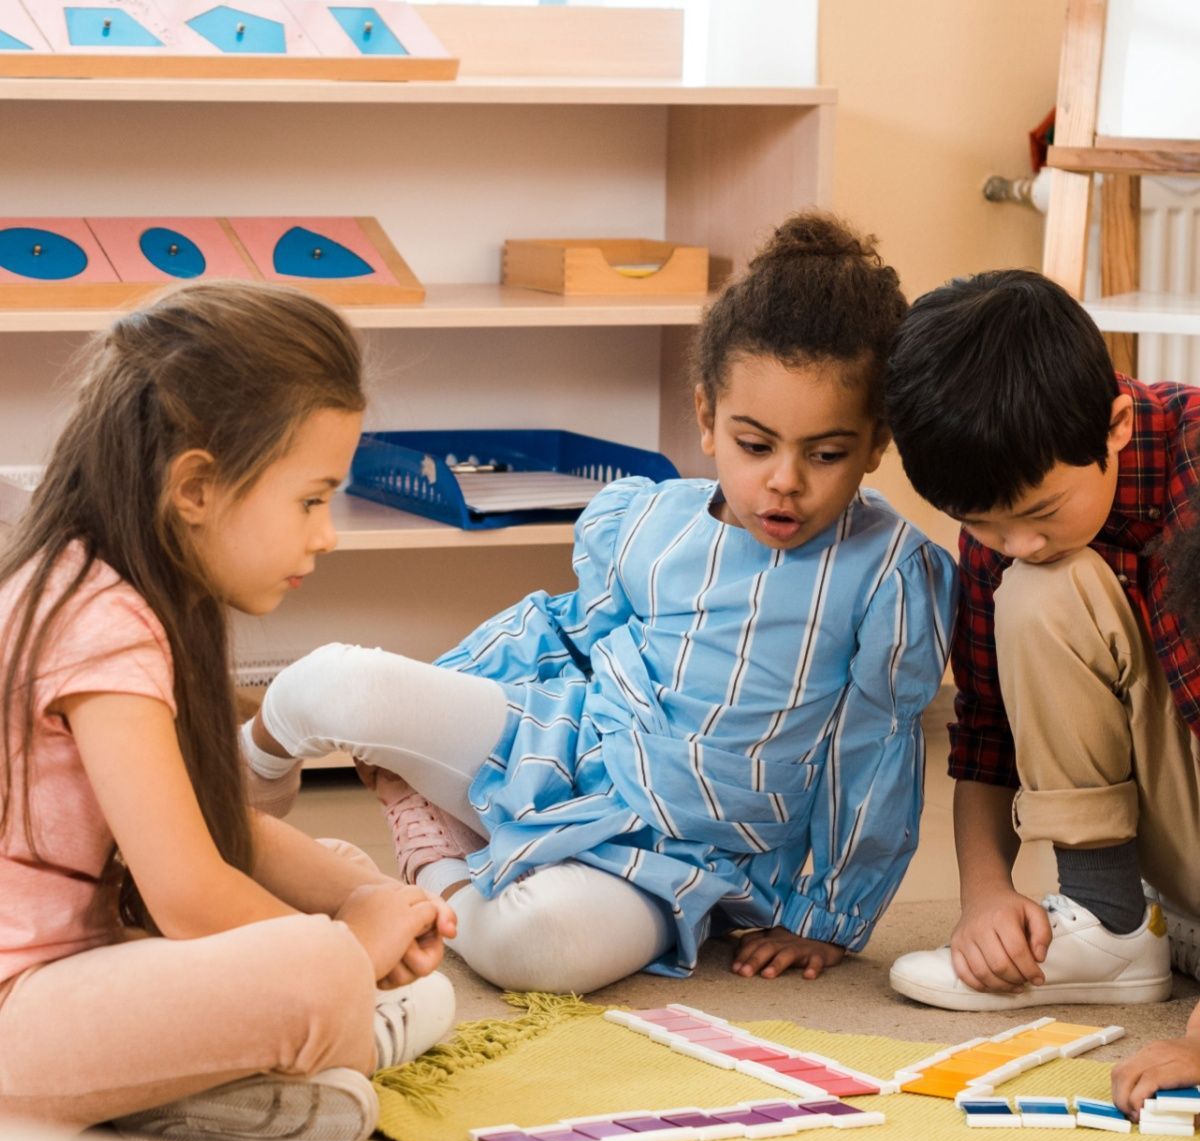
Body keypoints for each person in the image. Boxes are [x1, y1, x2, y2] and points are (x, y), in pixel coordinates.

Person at [245, 211, 957, 996]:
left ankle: (429, 867)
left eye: (826, 454)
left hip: (689, 856)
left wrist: (828, 918)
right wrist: (437, 701)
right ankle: (228, 805)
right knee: (333, 682)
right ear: (707, 417)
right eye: (756, 446)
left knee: (536, 948)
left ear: (876, 443)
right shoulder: (647, 520)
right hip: (564, 747)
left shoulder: (888, 570)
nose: (785, 480)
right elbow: (559, 634)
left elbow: (875, 756)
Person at [0, 281, 457, 1141]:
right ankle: (309, 1050)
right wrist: (348, 946)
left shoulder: (122, 590)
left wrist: (358, 901)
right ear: (198, 488)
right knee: (320, 970)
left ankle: (192, 1093)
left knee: (341, 870)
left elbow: (214, 833)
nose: (327, 535)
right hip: (21, 1011)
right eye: (311, 499)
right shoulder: (98, 622)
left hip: (75, 975)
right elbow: (184, 892)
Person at [883, 267, 1200, 1111]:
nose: (1013, 541)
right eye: (983, 522)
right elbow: (982, 731)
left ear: (1118, 426)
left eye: (1039, 510)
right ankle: (1113, 927)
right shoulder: (1007, 529)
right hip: (1184, 855)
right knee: (1041, 591)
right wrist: (984, 896)